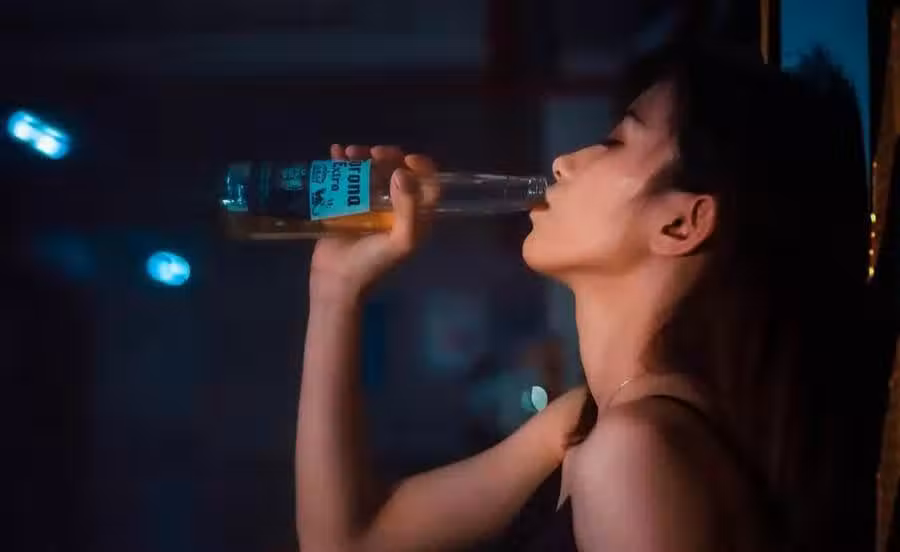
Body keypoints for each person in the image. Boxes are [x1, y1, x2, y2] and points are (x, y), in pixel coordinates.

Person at [295, 44, 883, 552]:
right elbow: (350, 539)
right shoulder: (584, 421)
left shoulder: (633, 452)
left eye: (615, 141)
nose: (563, 163)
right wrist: (336, 289)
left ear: (681, 223)